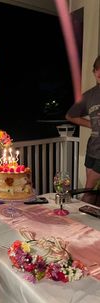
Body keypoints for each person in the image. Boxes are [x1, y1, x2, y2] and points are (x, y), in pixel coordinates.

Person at [65, 55, 100, 204]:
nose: (99, 72)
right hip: (92, 148)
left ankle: (81, 219)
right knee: (92, 193)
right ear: (94, 72)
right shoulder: (89, 95)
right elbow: (70, 115)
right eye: (97, 69)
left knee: (88, 192)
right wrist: (91, 124)